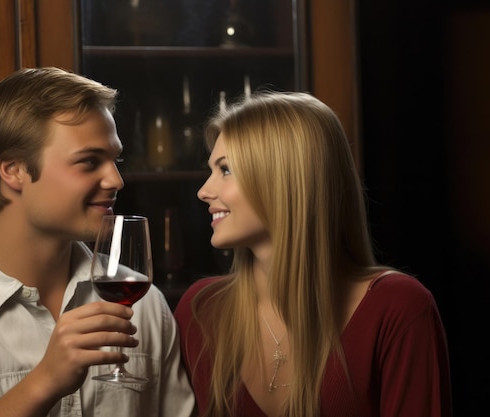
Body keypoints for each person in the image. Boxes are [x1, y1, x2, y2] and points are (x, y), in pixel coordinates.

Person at [0, 67, 195, 417]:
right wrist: (44, 382)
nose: (116, 180)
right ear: (13, 170)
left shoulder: (146, 307)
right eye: (89, 162)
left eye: (115, 159)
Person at [174, 91, 452, 417]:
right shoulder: (201, 312)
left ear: (285, 179)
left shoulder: (397, 309)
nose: (204, 191)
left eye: (226, 169)